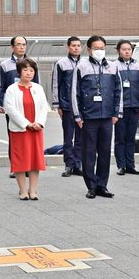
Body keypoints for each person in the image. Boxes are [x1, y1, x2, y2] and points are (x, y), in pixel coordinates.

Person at [72, 35, 122, 199]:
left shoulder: (113, 67)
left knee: (105, 152)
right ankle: (91, 186)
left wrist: (116, 112)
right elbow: (75, 92)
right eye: (96, 48)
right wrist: (78, 115)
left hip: (107, 116)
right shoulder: (81, 67)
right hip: (88, 117)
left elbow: (118, 91)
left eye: (102, 48)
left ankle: (102, 185)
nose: (99, 51)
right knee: (89, 152)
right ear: (89, 50)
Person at [4, 58, 48, 200]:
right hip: (20, 130)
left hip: (36, 129)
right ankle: (22, 190)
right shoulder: (12, 89)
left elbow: (44, 107)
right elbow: (10, 109)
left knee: (35, 160)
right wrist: (26, 124)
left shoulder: (38, 88)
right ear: (19, 72)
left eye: (31, 70)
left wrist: (39, 123)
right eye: (25, 70)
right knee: (20, 160)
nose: (28, 73)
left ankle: (33, 190)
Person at [0, 35, 37, 179]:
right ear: (12, 47)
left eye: (24, 44)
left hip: (29, 107)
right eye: (18, 44)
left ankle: (28, 166)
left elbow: (36, 85)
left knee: (29, 137)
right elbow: (0, 85)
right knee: (14, 138)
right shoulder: (4, 65)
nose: (21, 47)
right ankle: (16, 167)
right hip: (12, 108)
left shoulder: (32, 63)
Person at [113, 39, 139, 176]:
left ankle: (131, 165)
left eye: (129, 49)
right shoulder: (113, 66)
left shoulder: (138, 66)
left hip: (134, 107)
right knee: (120, 138)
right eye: (124, 49)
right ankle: (121, 166)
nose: (127, 52)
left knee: (131, 138)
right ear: (118, 51)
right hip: (121, 108)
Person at [52, 36, 82, 177]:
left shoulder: (85, 63)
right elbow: (56, 84)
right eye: (73, 45)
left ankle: (78, 164)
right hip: (67, 106)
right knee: (68, 137)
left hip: (83, 107)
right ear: (68, 47)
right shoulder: (61, 64)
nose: (76, 48)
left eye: (78, 45)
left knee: (81, 138)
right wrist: (57, 104)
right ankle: (69, 165)